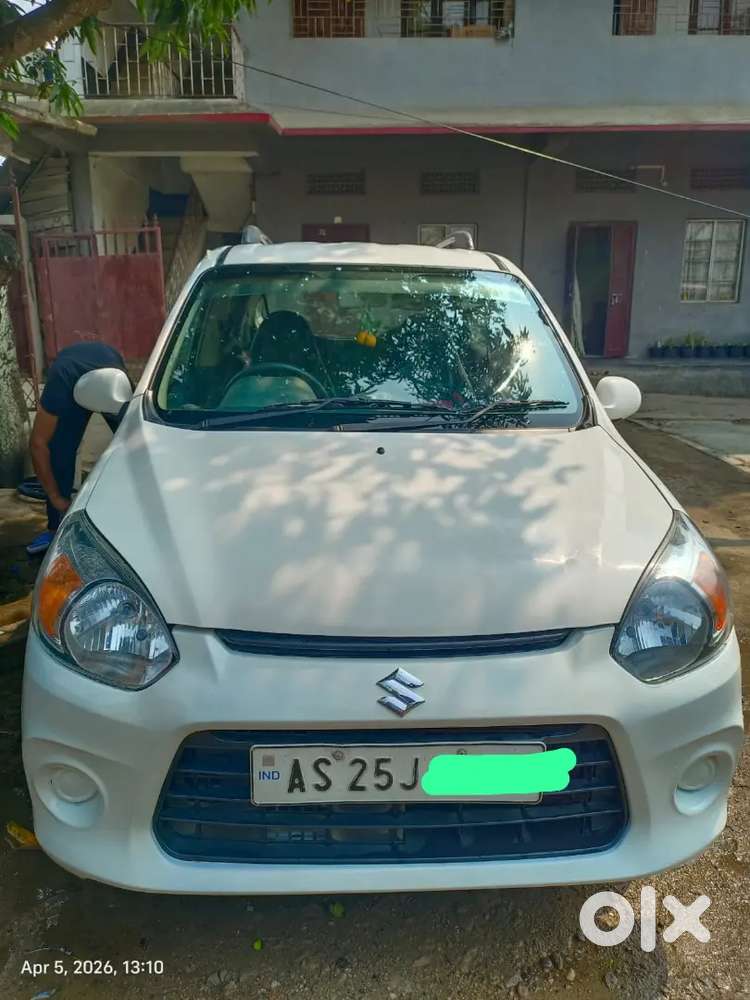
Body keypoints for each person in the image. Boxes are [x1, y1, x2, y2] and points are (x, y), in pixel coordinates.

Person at [26, 342, 127, 556]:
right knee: (59, 451)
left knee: (132, 441)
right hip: (74, 382)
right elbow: (37, 444)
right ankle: (55, 529)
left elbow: (138, 438)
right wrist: (54, 496)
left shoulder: (119, 381)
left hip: (108, 364)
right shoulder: (61, 385)